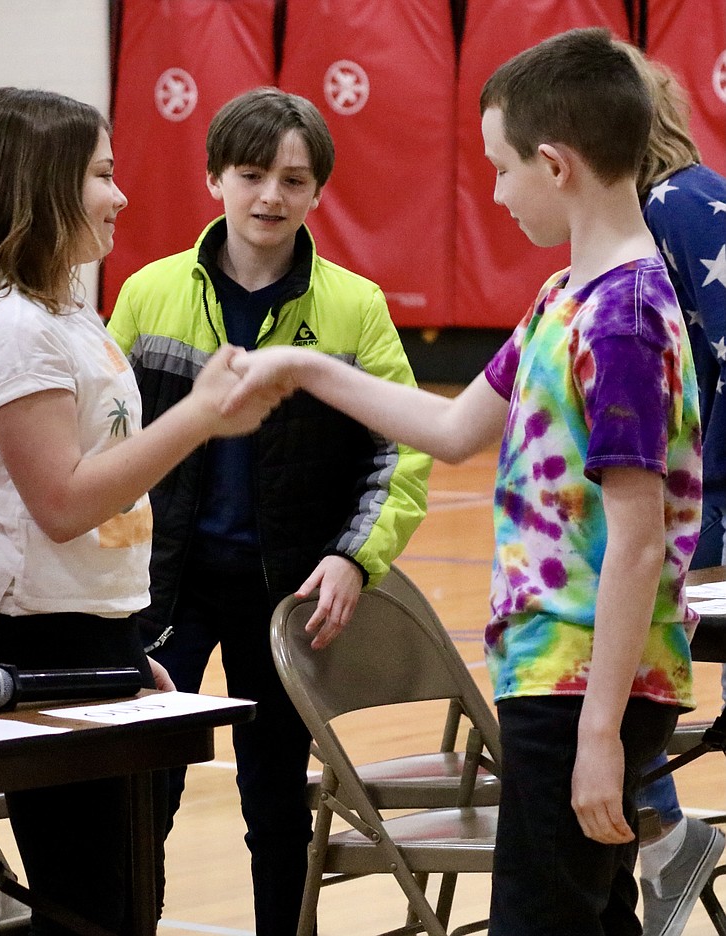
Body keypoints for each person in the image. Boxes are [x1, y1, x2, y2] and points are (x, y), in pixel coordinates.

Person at [223, 28, 702, 936]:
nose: (493, 191)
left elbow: (637, 544)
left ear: (554, 165)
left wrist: (600, 733)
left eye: (500, 168)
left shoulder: (625, 320)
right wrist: (305, 367)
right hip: (549, 678)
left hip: (581, 689)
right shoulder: (566, 295)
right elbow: (450, 430)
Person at [0, 86, 277, 936]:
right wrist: (200, 417)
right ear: (44, 187)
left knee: (127, 901)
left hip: (92, 635)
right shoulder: (10, 328)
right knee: (92, 913)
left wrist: (123, 648)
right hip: (38, 642)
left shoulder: (65, 311)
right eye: (104, 175)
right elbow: (63, 503)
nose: (122, 195)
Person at [106, 86, 431, 935]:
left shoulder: (354, 308)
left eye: (293, 180)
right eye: (251, 174)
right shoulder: (145, 294)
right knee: (147, 791)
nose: (269, 198)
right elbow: (103, 443)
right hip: (161, 594)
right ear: (214, 175)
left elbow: (404, 450)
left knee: (276, 801)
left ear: (318, 192)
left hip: (286, 598)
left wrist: (354, 557)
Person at [618, 41, 726, 936]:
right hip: (690, 498)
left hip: (702, 506)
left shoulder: (671, 211)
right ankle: (657, 839)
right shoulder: (672, 203)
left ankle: (659, 834)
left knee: (606, 664)